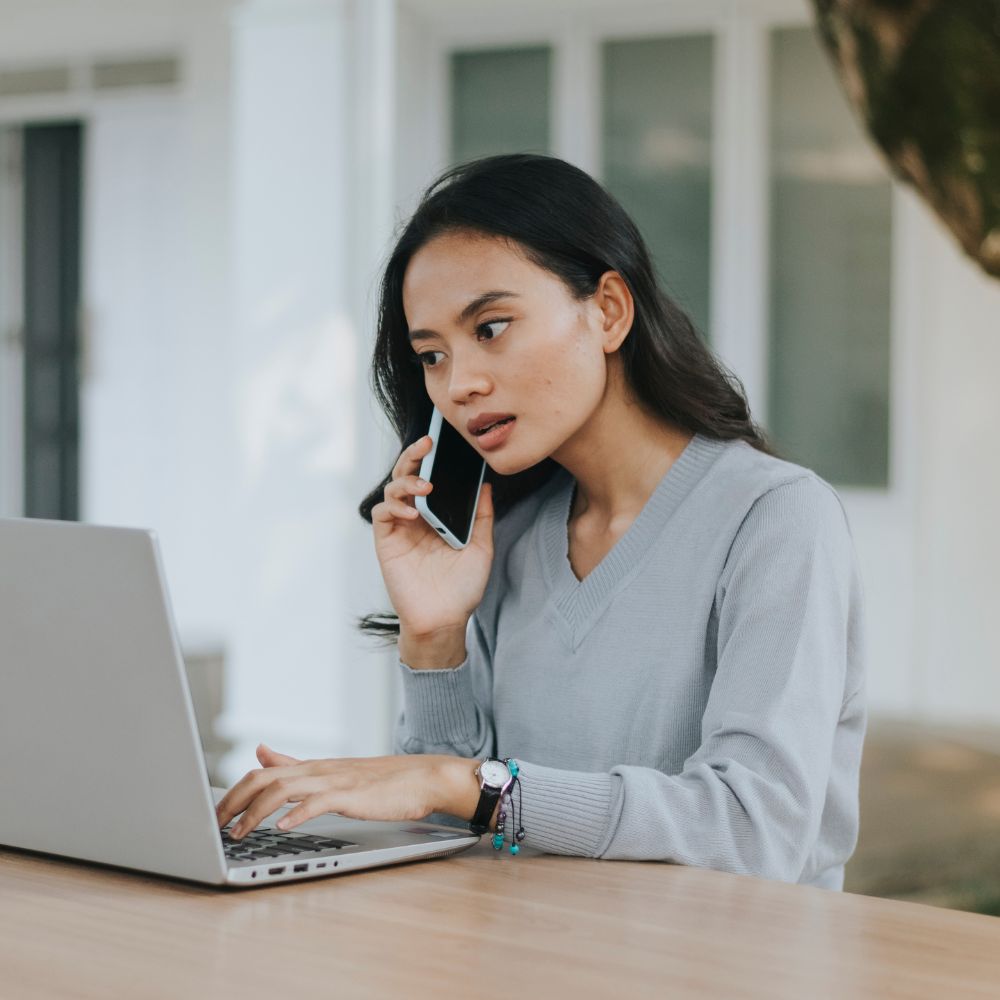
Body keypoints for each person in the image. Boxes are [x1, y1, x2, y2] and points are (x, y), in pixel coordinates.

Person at [217, 154, 866, 889]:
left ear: (608, 311)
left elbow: (754, 831)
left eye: (491, 327)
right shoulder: (512, 536)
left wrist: (465, 785)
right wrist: (434, 638)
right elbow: (450, 831)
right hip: (529, 942)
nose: (460, 384)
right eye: (432, 355)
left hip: (722, 951)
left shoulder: (776, 519)